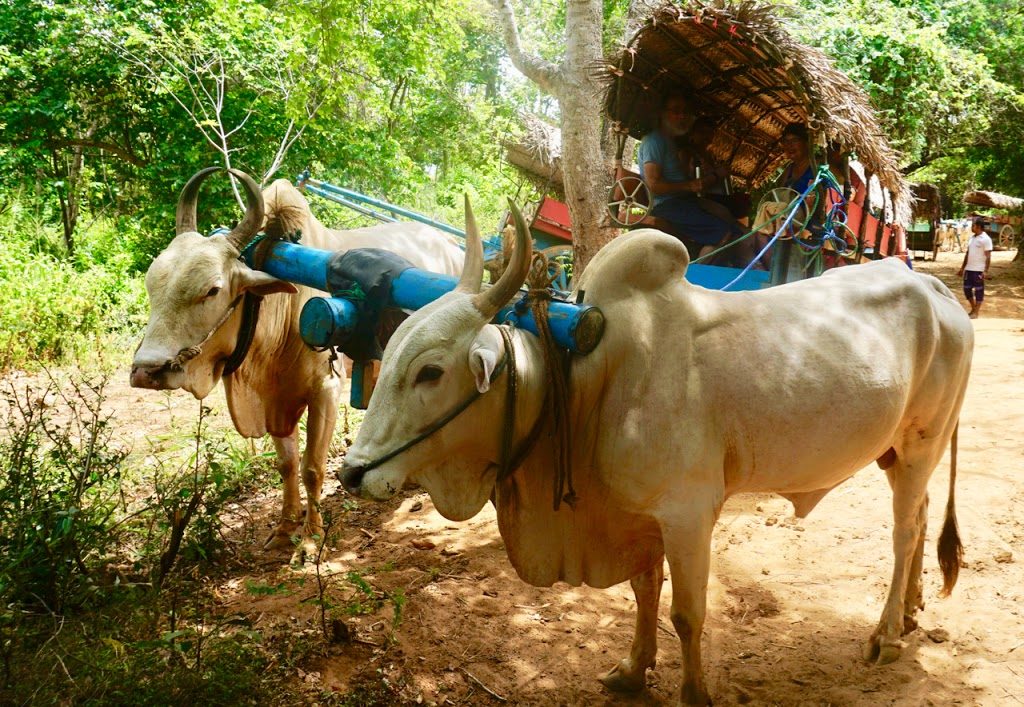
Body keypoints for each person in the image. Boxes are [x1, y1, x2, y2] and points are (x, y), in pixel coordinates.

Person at [638, 94, 743, 257]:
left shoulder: (669, 142)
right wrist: (689, 185)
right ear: (662, 114)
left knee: (735, 230)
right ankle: (696, 276)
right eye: (676, 111)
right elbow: (654, 185)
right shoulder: (655, 141)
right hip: (667, 206)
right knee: (725, 234)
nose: (682, 116)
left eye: (685, 112)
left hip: (684, 202)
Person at [958, 217, 993, 318]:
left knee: (979, 291)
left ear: (978, 226)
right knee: (966, 289)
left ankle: (976, 312)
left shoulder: (986, 239)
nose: (971, 227)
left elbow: (988, 256)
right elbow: (967, 254)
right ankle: (974, 308)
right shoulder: (972, 238)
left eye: (973, 225)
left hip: (978, 270)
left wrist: (985, 271)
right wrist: (962, 268)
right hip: (969, 269)